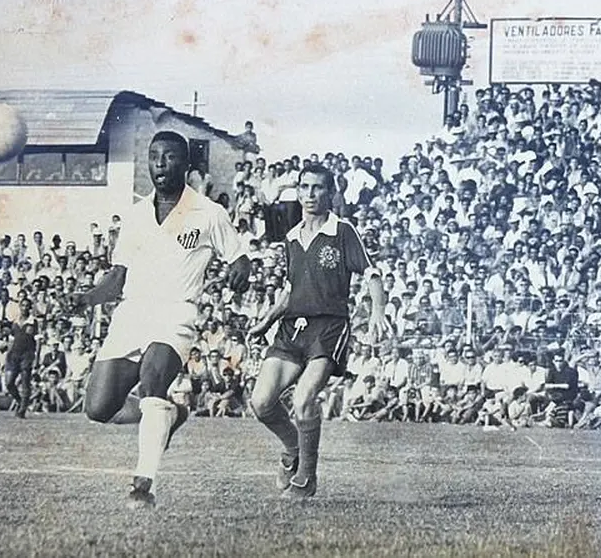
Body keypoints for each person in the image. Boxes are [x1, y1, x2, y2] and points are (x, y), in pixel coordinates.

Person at [72, 131, 251, 509]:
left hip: (176, 312)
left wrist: (241, 270)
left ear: (186, 165)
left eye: (169, 157)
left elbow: (239, 257)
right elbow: (117, 277)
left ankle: (143, 485)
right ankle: (173, 414)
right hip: (132, 313)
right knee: (99, 408)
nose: (159, 164)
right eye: (154, 157)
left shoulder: (209, 213)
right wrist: (86, 299)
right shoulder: (136, 214)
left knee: (153, 382)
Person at [248, 163, 389, 500]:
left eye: (317, 188)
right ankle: (292, 449)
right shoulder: (292, 237)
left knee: (303, 399)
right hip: (291, 327)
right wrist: (266, 320)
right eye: (304, 188)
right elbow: (290, 290)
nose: (310, 195)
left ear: (331, 193)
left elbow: (372, 274)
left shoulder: (342, 231)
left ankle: (306, 478)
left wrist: (378, 310)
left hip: (328, 327)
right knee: (261, 402)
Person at [3, 320, 38, 418]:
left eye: (27, 305)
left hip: (26, 355)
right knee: (9, 383)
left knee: (25, 383)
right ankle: (20, 402)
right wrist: (8, 354)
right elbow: (11, 340)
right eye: (23, 305)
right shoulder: (16, 322)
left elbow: (38, 341)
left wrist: (36, 358)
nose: (25, 307)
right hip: (15, 355)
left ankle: (22, 410)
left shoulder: (32, 321)